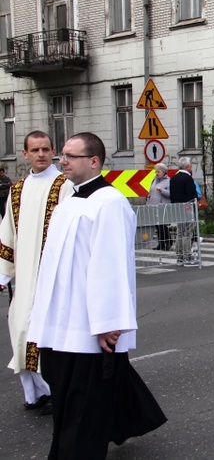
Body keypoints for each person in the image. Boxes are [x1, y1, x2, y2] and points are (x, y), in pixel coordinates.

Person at [27, 132, 166, 459]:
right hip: (61, 318)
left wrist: (108, 323)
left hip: (87, 324)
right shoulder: (71, 200)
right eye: (63, 155)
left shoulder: (110, 202)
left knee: (82, 402)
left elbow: (110, 266)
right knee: (69, 391)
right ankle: (130, 419)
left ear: (93, 161)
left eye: (70, 156)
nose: (63, 161)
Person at [0, 131, 74, 414]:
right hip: (25, 278)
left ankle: (57, 392)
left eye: (45, 149)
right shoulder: (16, 190)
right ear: (25, 154)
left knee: (49, 336)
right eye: (35, 150)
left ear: (53, 151)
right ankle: (34, 393)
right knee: (20, 330)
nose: (41, 154)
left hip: (54, 278)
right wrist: (3, 273)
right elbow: (7, 231)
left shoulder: (65, 186)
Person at [169, 157, 199, 266]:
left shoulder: (173, 178)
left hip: (177, 207)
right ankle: (187, 256)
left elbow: (171, 195)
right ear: (187, 167)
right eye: (190, 165)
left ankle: (179, 256)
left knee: (179, 232)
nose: (191, 167)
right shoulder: (188, 178)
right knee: (187, 233)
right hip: (187, 208)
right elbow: (192, 195)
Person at [146, 163, 172, 251]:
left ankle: (168, 242)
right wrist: (148, 204)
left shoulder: (168, 181)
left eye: (159, 171)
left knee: (162, 226)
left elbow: (171, 194)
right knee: (158, 226)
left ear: (164, 172)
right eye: (156, 171)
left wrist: (162, 190)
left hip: (162, 207)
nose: (157, 173)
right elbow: (150, 193)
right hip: (154, 206)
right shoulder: (154, 180)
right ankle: (161, 243)